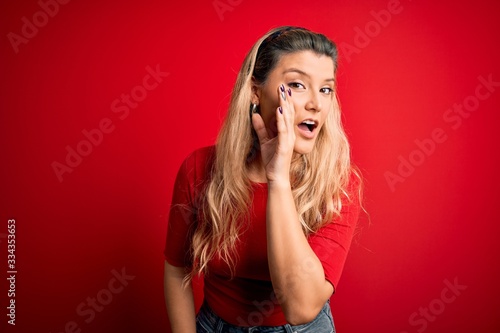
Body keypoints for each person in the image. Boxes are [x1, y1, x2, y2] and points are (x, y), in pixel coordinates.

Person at [163, 26, 362, 333]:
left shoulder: (338, 184)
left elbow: (301, 307)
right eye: (297, 85)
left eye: (326, 89)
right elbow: (177, 269)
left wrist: (278, 177)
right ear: (255, 91)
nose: (316, 104)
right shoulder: (199, 169)